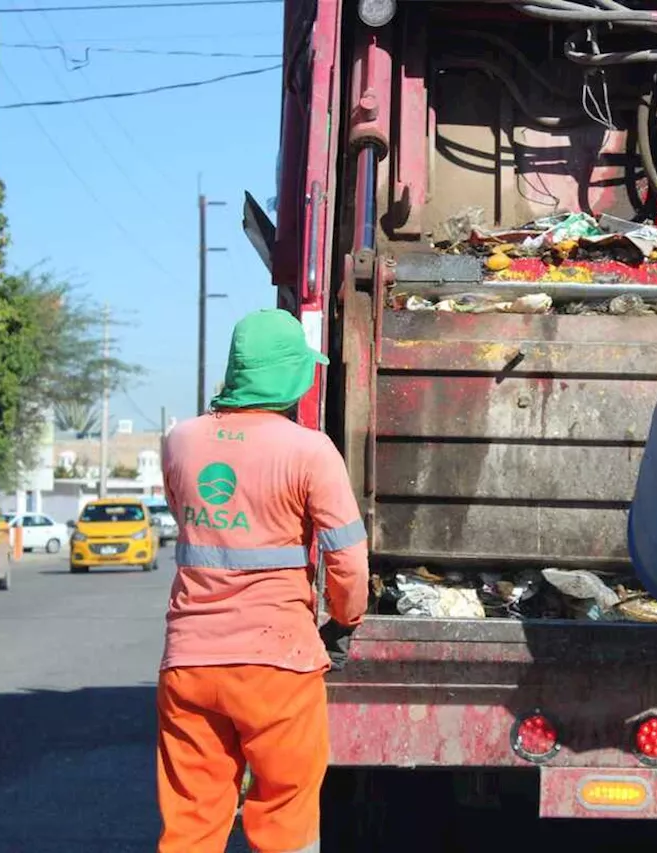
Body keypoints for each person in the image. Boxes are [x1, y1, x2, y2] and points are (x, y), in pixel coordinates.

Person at [156, 308, 369, 853]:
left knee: (191, 824)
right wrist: (344, 619)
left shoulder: (179, 441)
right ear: (293, 377)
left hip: (189, 660)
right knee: (284, 817)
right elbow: (346, 557)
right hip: (278, 662)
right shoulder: (309, 450)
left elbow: (187, 519)